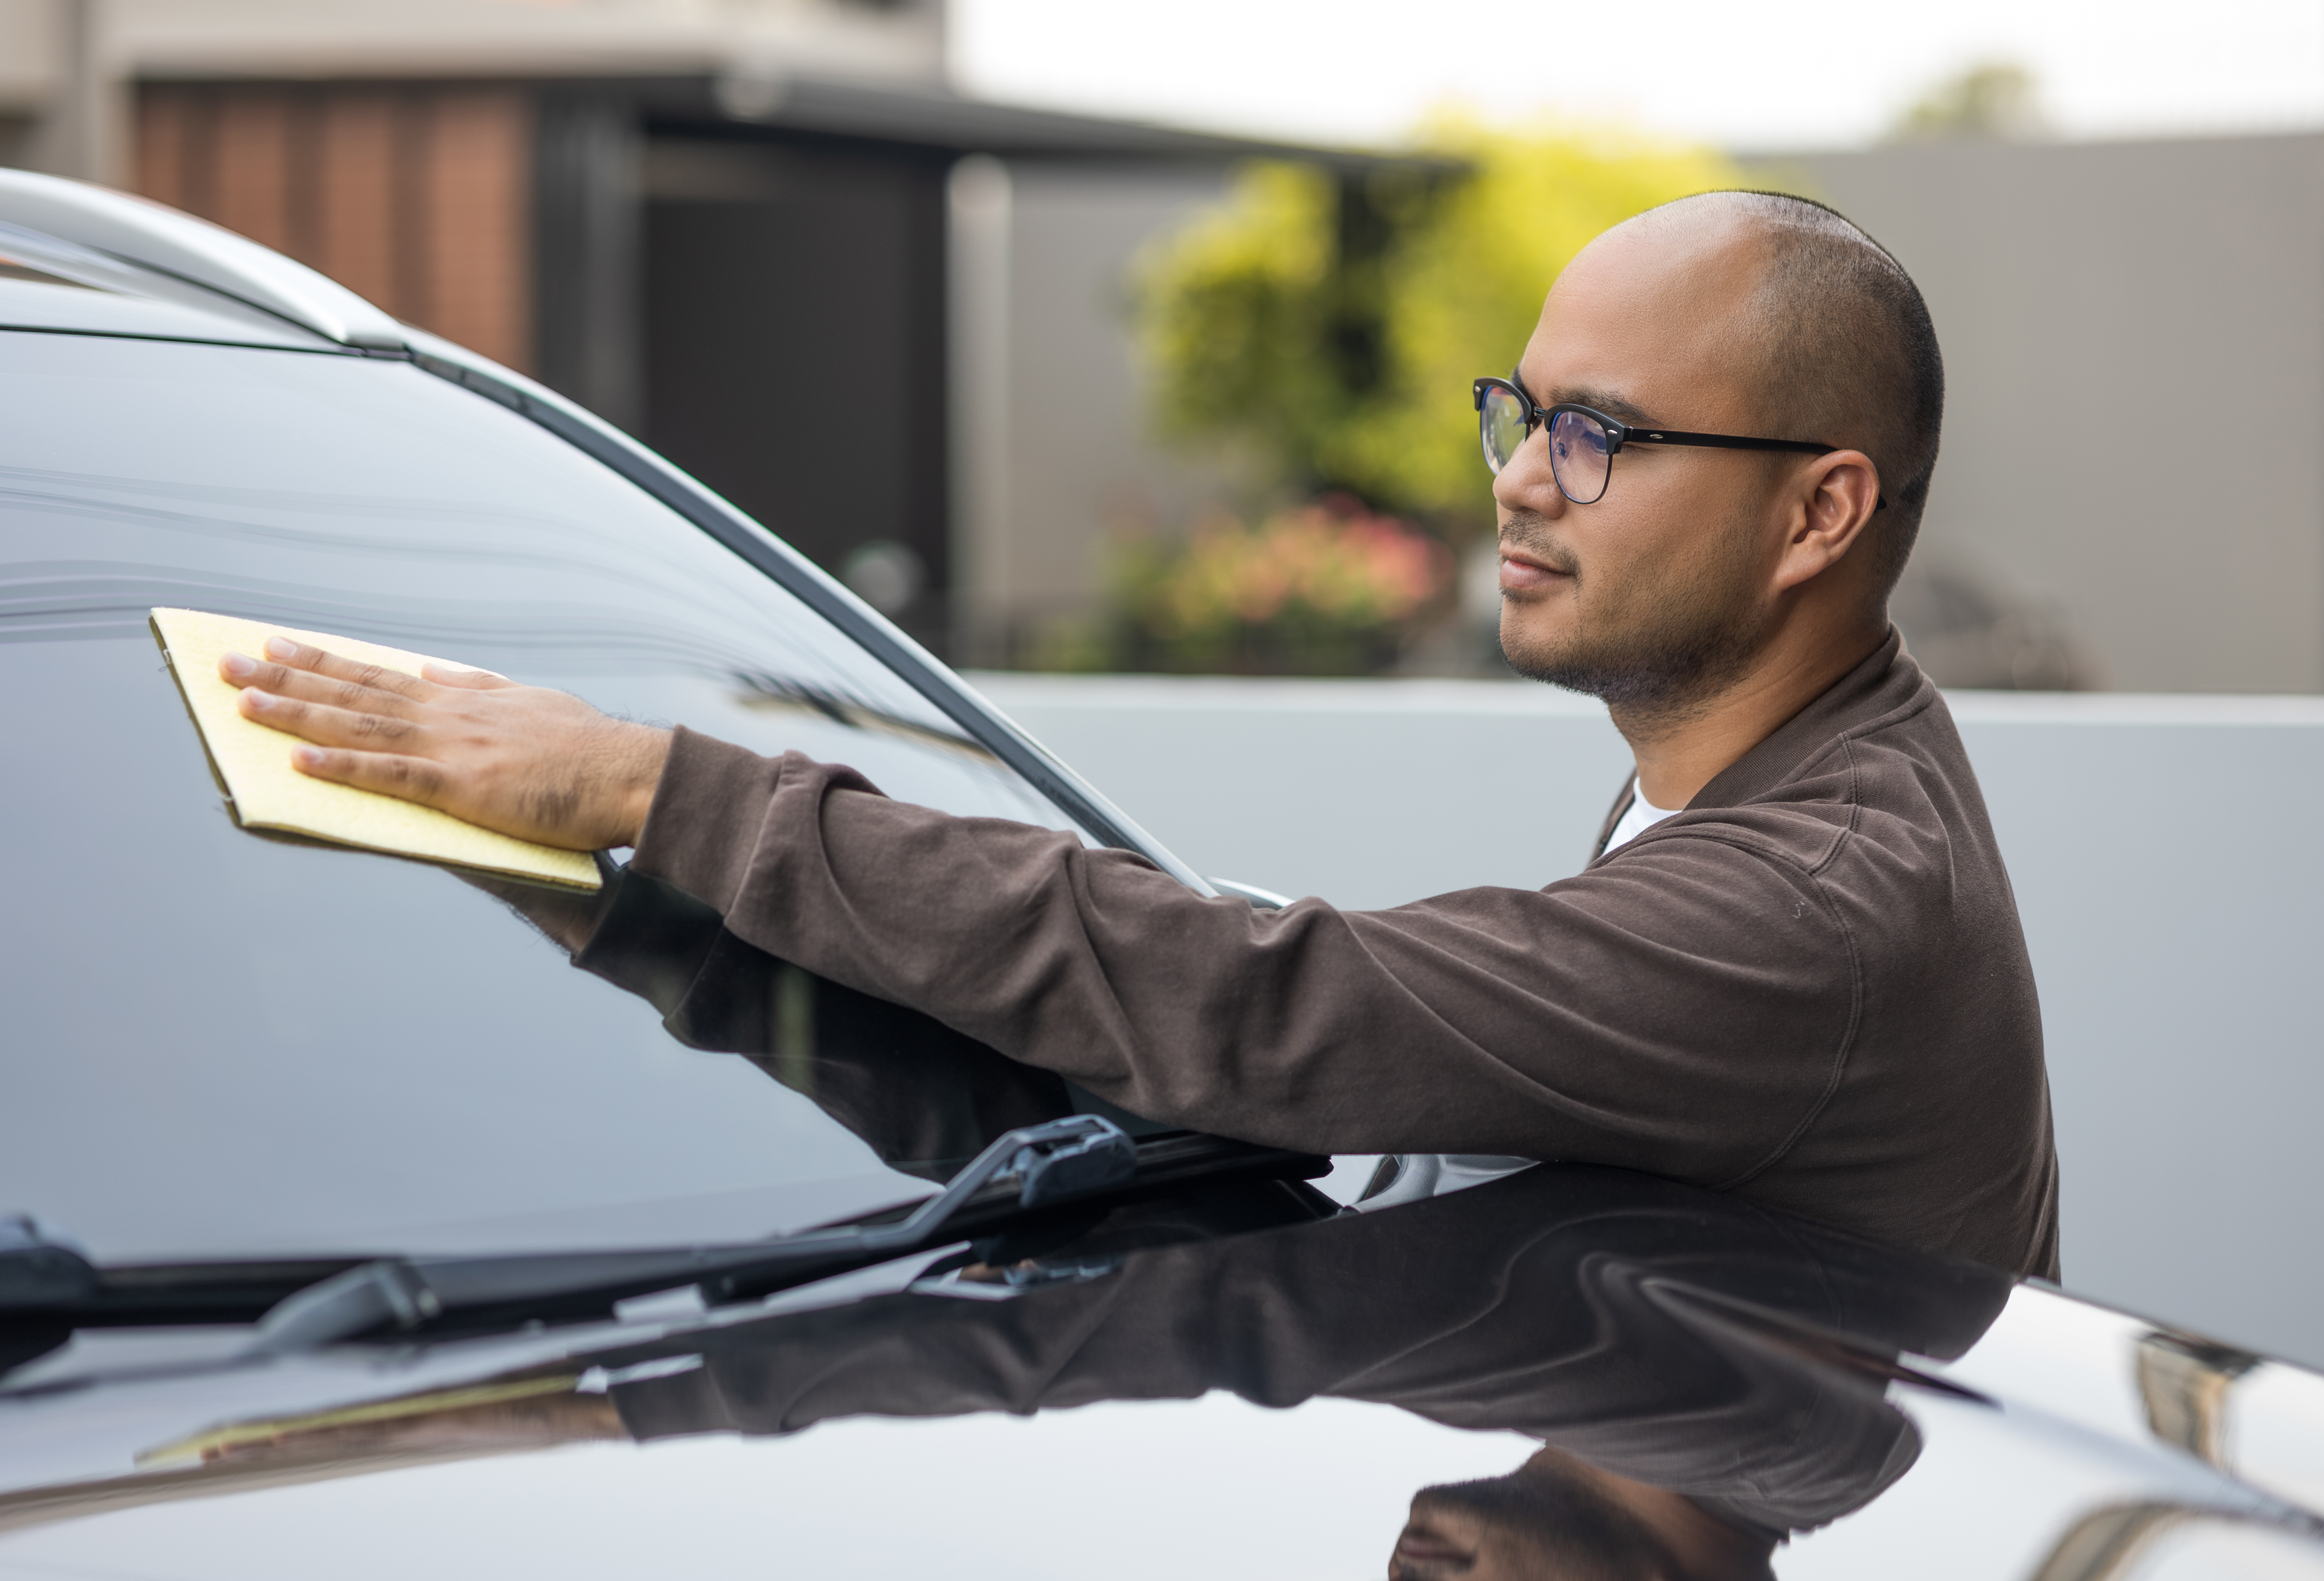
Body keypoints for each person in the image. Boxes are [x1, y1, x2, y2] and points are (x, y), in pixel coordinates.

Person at [215, 189, 2060, 1277]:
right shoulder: (1777, 769)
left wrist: (648, 787)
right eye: (1517, 409)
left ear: (1818, 513)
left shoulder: (1818, 897)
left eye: (1598, 433)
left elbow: (1271, 1012)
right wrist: (631, 917)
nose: (1515, 478)